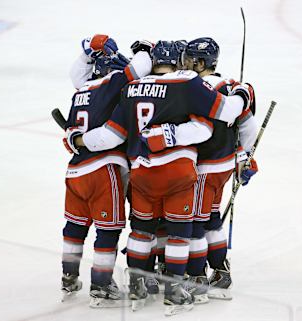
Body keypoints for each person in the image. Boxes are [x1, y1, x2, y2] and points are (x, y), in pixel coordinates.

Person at [66, 40, 254, 315]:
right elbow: (212, 124)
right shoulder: (187, 82)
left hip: (141, 172)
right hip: (180, 171)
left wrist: (78, 139)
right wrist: (244, 97)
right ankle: (183, 284)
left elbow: (112, 135)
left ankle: (139, 284)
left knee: (142, 229)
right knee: (183, 230)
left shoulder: (130, 88)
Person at [60, 34, 152, 308]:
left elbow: (75, 72)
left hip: (75, 173)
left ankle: (68, 277)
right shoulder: (112, 84)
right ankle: (100, 286)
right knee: (108, 230)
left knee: (74, 227)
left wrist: (88, 53)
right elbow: (141, 67)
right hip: (104, 170)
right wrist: (145, 47)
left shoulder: (80, 91)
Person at [179, 37, 259, 302]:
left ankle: (197, 276)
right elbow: (248, 126)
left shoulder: (196, 88)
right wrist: (244, 157)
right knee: (211, 217)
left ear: (201, 62)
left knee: (195, 223)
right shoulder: (230, 86)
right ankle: (221, 271)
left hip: (204, 167)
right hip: (224, 167)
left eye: (189, 58)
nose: (184, 62)